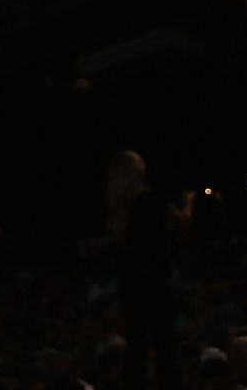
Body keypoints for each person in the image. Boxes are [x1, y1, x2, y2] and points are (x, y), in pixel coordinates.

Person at [105, 151, 192, 390]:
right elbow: (182, 224)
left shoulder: (117, 209)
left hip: (130, 282)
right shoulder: (152, 199)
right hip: (156, 277)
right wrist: (188, 203)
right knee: (164, 341)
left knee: (136, 344)